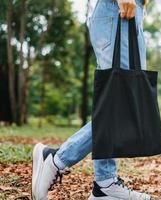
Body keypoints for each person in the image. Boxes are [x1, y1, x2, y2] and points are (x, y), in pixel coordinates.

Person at [31, 0, 151, 199]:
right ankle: (56, 159)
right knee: (122, 105)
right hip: (118, 10)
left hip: (125, 13)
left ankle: (104, 184)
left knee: (116, 103)